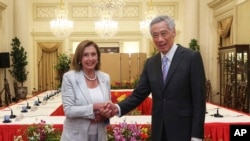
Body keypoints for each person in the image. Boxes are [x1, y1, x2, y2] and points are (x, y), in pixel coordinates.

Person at [107, 15, 206, 141]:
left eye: (164, 33)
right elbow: (139, 94)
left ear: (174, 32)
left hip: (183, 132)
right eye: (155, 35)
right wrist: (117, 108)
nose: (160, 39)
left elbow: (199, 101)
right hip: (159, 132)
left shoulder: (191, 58)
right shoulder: (151, 63)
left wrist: (196, 136)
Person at [60, 40, 112, 141]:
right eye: (85, 55)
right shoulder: (69, 77)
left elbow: (108, 105)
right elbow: (69, 110)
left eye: (93, 54)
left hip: (99, 135)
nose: (90, 58)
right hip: (75, 136)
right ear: (79, 58)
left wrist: (106, 114)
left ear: (98, 57)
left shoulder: (105, 78)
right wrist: (94, 107)